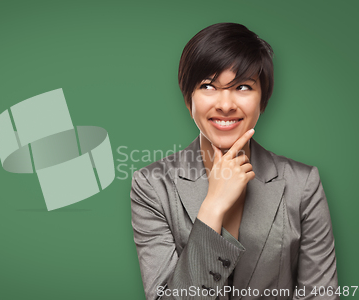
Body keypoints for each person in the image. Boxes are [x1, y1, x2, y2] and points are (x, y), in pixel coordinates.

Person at [130, 23, 338, 300]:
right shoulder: (152, 185)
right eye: (208, 86)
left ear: (263, 99)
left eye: (242, 86)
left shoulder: (302, 184)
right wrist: (213, 206)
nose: (225, 104)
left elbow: (321, 295)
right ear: (187, 98)